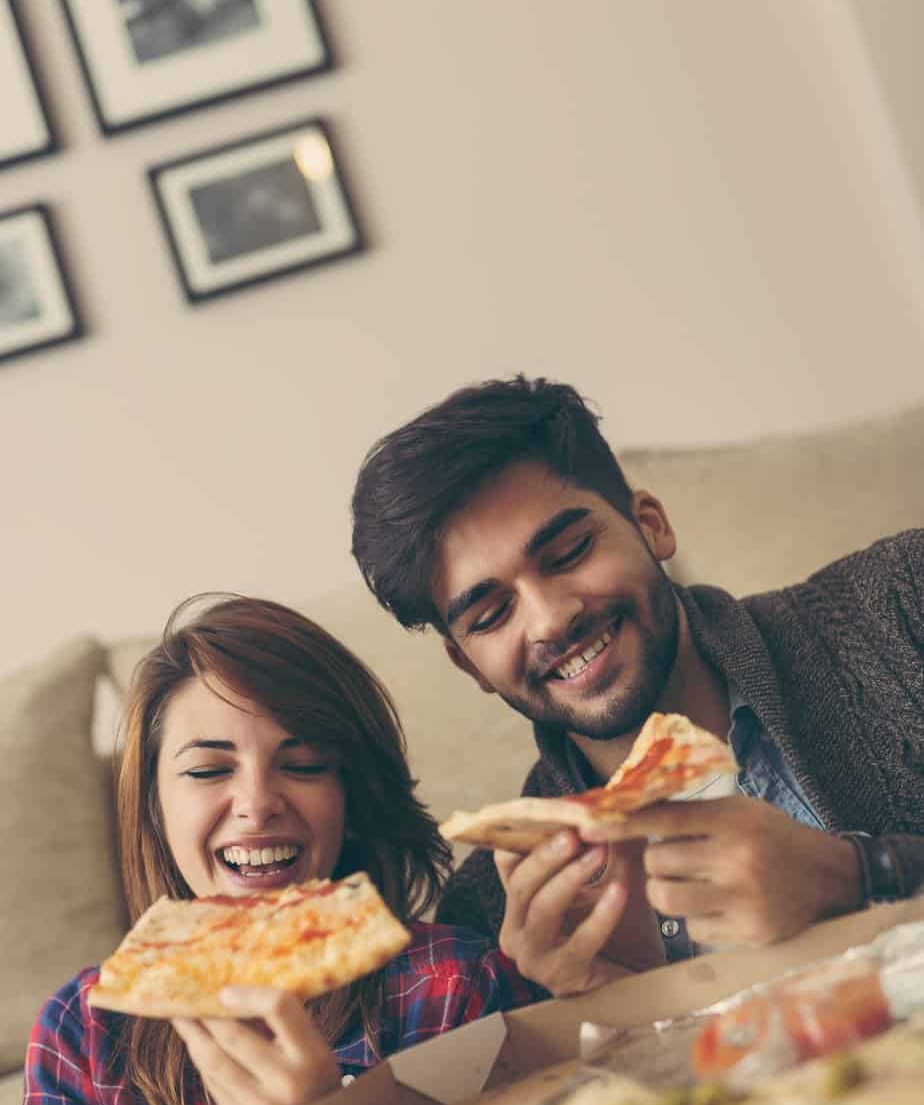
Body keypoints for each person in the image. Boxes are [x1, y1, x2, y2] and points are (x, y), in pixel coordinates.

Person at [18, 595, 541, 1105]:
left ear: (350, 796)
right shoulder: (83, 1032)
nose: (257, 801)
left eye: (304, 763)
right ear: (152, 804)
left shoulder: (454, 983)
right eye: (208, 770)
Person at [351, 376, 924, 997]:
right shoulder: (492, 910)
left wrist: (861, 875)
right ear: (469, 666)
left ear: (652, 526)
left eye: (569, 552)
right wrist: (610, 998)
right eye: (490, 616)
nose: (549, 619)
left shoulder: (902, 604)